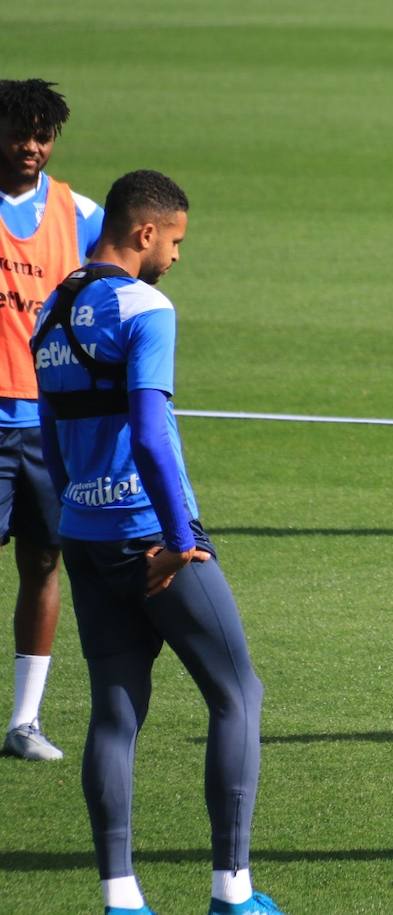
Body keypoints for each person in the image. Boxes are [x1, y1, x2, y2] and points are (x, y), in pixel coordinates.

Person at [33, 170, 281, 915]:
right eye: (175, 240)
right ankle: (231, 892)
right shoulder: (146, 306)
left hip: (82, 530)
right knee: (237, 694)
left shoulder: (51, 308)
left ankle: (122, 899)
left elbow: (50, 440)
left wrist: (83, 510)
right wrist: (178, 539)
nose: (176, 255)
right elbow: (149, 434)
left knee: (115, 707)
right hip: (150, 532)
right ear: (146, 231)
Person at [0, 78, 103, 761]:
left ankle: (24, 722)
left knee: (44, 560)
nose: (32, 146)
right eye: (20, 133)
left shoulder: (80, 214)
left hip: (48, 422)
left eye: (43, 135)